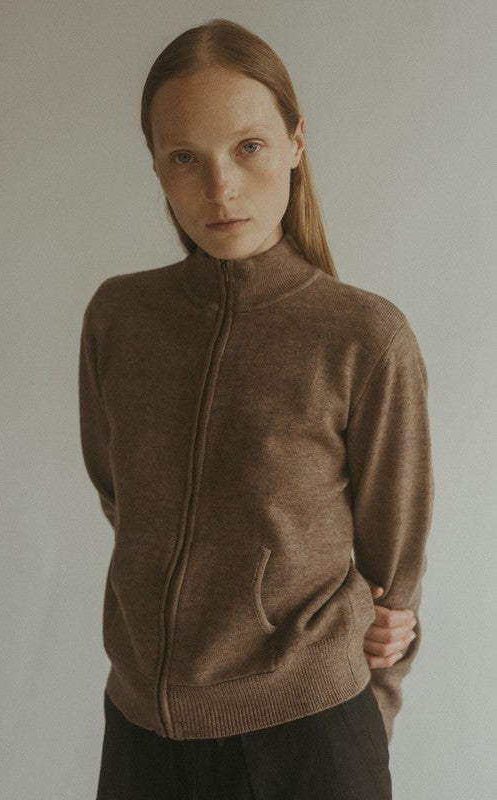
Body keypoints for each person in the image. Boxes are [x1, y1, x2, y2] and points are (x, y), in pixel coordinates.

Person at [78, 18, 434, 800]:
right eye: (185, 157)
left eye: (247, 147)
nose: (220, 188)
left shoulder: (363, 336)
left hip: (307, 735)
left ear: (295, 142)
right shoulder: (119, 317)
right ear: (155, 164)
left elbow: (392, 575)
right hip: (140, 731)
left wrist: (365, 720)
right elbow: (122, 498)